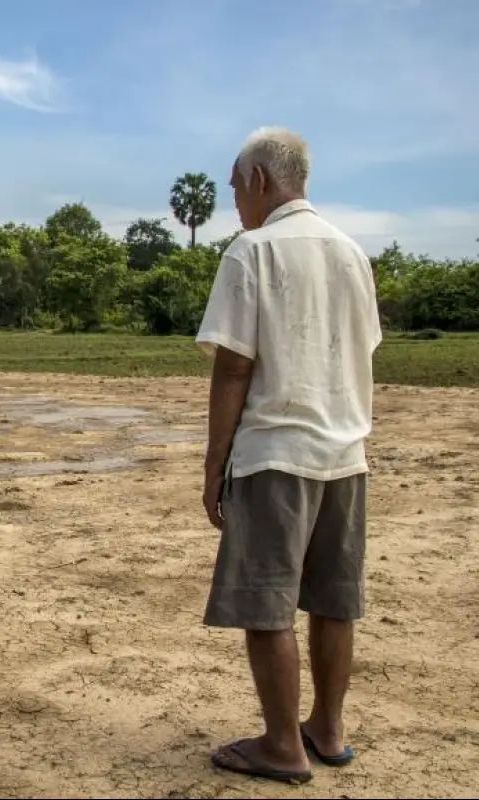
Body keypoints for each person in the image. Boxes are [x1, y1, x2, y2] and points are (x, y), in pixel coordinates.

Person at [195, 126, 383, 784]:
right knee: (334, 599)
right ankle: (327, 730)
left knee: (266, 604)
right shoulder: (351, 252)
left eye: (234, 187)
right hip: (345, 453)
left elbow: (233, 368)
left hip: (276, 451)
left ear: (259, 181)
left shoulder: (252, 251)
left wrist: (215, 462)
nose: (234, 202)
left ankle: (282, 744)